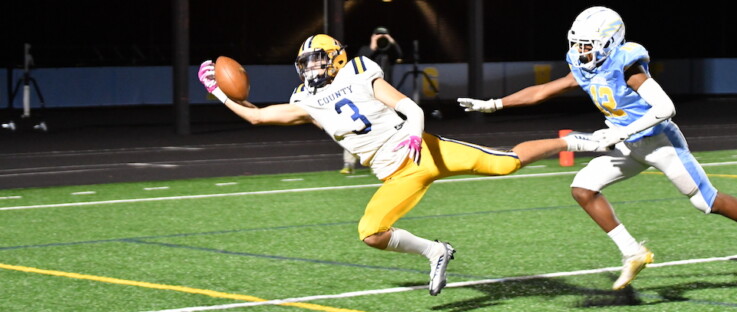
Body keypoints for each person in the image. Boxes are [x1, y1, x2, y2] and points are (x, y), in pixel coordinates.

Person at [198, 33, 604, 296]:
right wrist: (218, 92)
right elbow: (256, 115)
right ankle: (435, 251)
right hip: (394, 173)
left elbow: (408, 105)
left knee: (505, 165)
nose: (312, 68)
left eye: (318, 60)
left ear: (337, 58)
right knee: (370, 232)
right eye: (307, 62)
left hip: (422, 149)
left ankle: (566, 141)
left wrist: (414, 130)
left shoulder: (360, 71)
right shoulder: (304, 99)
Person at [457, 6, 737, 291]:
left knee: (706, 201)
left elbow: (665, 108)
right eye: (577, 43)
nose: (581, 50)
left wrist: (620, 132)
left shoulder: (628, 65)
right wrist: (495, 104)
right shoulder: (583, 66)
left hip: (659, 142)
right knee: (583, 188)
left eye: (587, 44)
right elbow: (543, 90)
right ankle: (634, 252)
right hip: (624, 143)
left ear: (609, 42)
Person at [338, 27, 403, 174]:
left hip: (386, 94)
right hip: (365, 95)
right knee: (355, 127)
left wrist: (391, 41)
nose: (381, 38)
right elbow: (359, 63)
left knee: (389, 127)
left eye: (383, 35)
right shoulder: (366, 50)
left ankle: (386, 161)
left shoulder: (389, 51)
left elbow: (400, 55)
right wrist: (373, 46)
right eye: (378, 35)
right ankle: (349, 163)